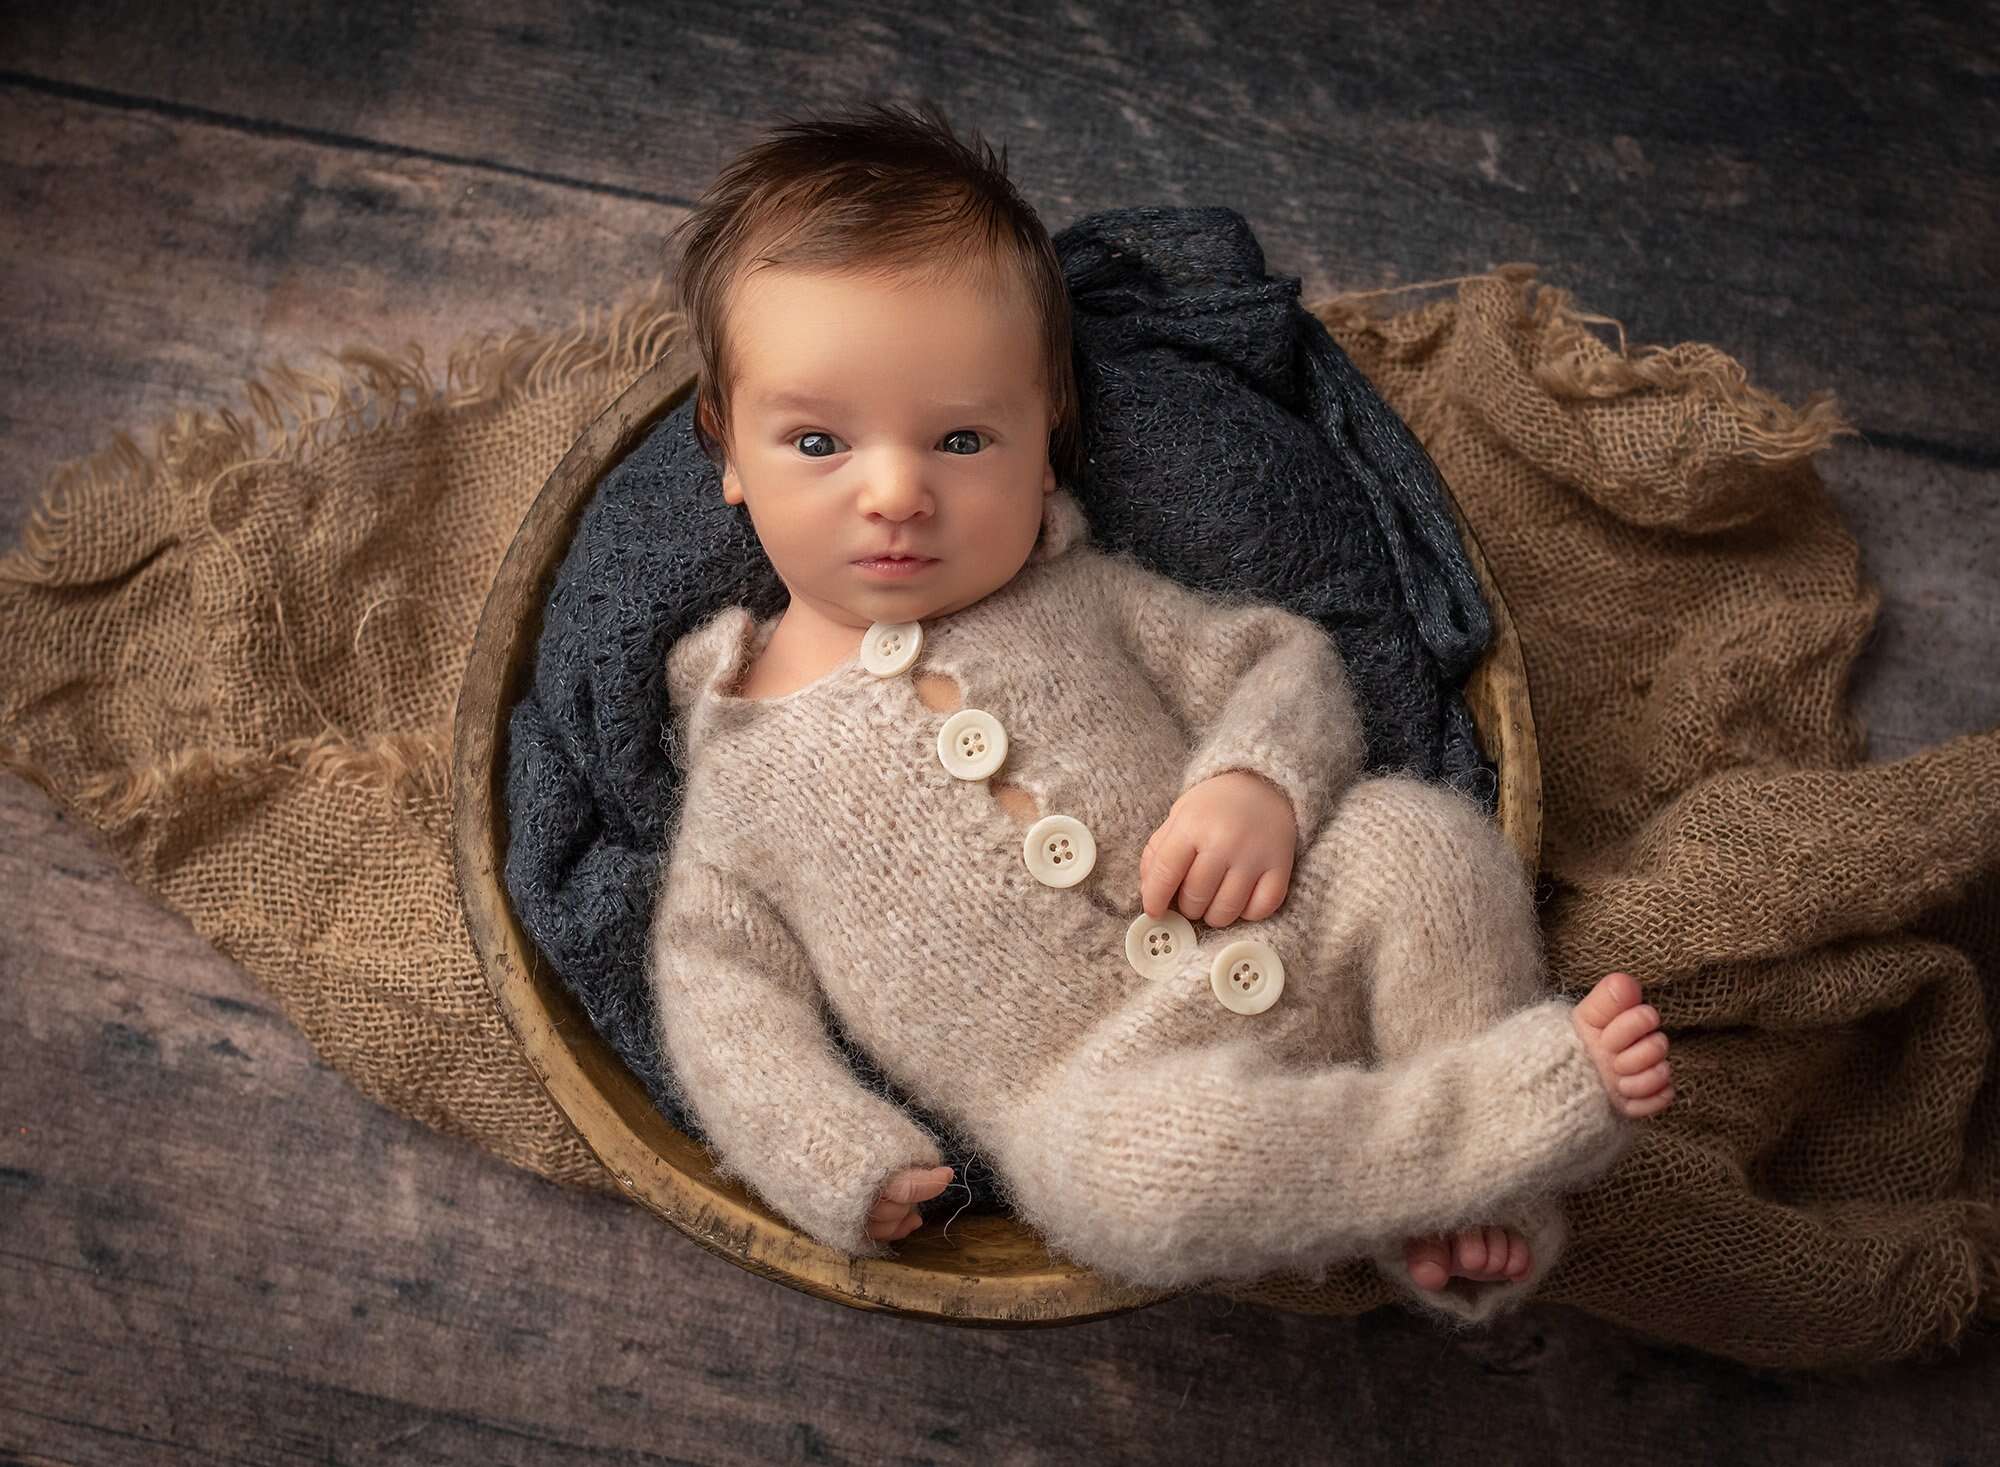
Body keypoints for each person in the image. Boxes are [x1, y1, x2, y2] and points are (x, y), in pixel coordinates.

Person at [648, 99, 1673, 1325]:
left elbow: (1276, 661)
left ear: (1046, 442)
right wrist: (825, 1152)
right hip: (1110, 1087)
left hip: (1292, 928)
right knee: (1124, 1182)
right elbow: (719, 993)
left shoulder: (1078, 597)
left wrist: (1255, 779)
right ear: (726, 450)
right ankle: (1480, 1133)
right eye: (817, 440)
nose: (894, 494)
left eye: (962, 437)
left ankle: (1471, 1206)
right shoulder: (740, 765)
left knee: (1421, 845)